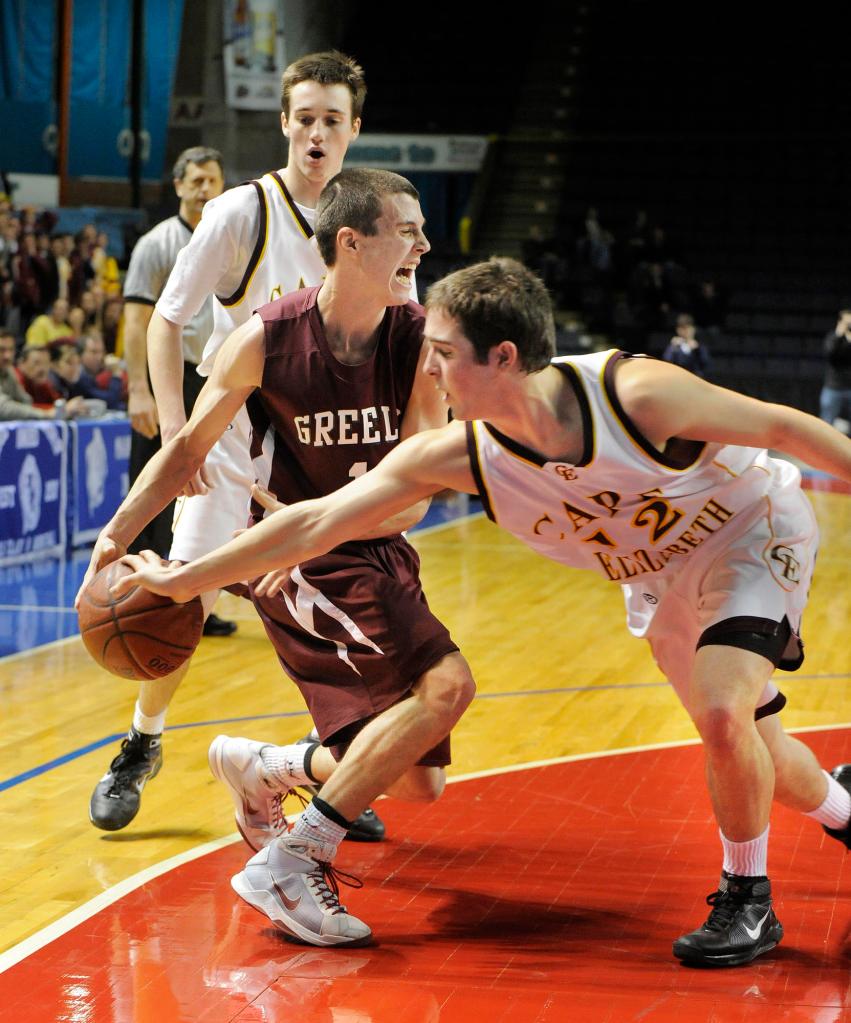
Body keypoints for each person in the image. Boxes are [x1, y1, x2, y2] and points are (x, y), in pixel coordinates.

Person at [115, 257, 851, 963]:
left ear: (501, 357)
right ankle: (844, 811)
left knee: (723, 712)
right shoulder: (467, 454)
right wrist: (187, 580)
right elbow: (318, 519)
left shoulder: (633, 394)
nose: (426, 368)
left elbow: (782, 428)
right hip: (660, 576)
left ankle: (745, 898)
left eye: (441, 353)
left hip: (749, 530)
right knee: (758, 753)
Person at [79, 167, 474, 949]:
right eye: (408, 228)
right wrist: (117, 534)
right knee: (446, 687)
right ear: (351, 242)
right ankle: (295, 860)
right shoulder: (265, 337)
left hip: (370, 544)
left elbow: (421, 491)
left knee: (418, 778)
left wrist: (329, 520)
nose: (425, 244)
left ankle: (269, 766)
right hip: (299, 562)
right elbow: (188, 446)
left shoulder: (415, 339)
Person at [85, 52, 387, 844]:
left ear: (355, 129)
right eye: (305, 118)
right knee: (183, 593)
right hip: (234, 428)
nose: (317, 133)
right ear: (285, 122)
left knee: (335, 607)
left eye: (333, 120)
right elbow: (165, 318)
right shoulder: (241, 213)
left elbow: (401, 333)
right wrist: (182, 430)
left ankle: (339, 765)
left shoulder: (376, 218)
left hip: (324, 444)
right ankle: (142, 741)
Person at [121, 145, 226, 562]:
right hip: (169, 375)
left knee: (211, 483)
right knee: (154, 482)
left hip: (216, 377)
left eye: (212, 181)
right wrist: (138, 390)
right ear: (178, 185)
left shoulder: (229, 236)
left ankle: (196, 582)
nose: (204, 189)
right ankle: (141, 587)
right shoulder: (157, 243)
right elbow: (135, 321)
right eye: (196, 180)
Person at [819, 308, 851, 434]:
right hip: (833, 388)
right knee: (827, 422)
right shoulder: (833, 338)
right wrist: (839, 335)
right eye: (847, 322)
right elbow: (830, 353)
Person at [77, 333, 127, 409]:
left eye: (102, 352)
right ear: (80, 355)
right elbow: (111, 402)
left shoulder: (98, 372)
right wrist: (116, 374)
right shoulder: (80, 376)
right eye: (94, 352)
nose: (99, 357)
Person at [662, 313, 711, 378]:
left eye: (688, 328)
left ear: (693, 329)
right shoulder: (674, 346)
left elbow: (706, 365)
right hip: (678, 379)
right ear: (678, 330)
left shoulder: (700, 347)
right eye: (683, 328)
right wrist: (672, 348)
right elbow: (666, 362)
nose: (686, 331)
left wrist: (697, 349)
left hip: (695, 380)